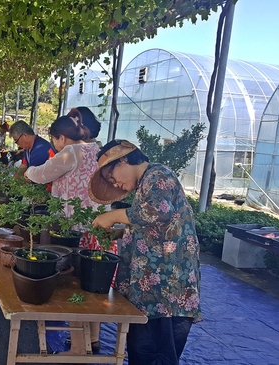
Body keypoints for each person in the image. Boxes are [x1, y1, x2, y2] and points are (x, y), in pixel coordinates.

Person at [88, 139, 202, 365]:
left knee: (155, 354)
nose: (115, 184)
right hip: (153, 289)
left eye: (112, 177)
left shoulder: (158, 175)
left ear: (123, 160)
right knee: (143, 350)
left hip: (165, 290)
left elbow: (159, 211)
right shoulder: (146, 183)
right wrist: (122, 233)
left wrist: (111, 216)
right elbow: (154, 225)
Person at [24, 115, 111, 352]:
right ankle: (92, 340)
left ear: (61, 137)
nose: (55, 145)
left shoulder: (70, 152)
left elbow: (40, 174)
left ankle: (79, 348)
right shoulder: (99, 148)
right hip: (101, 227)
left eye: (54, 140)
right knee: (93, 286)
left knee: (75, 285)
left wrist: (27, 171)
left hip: (76, 229)